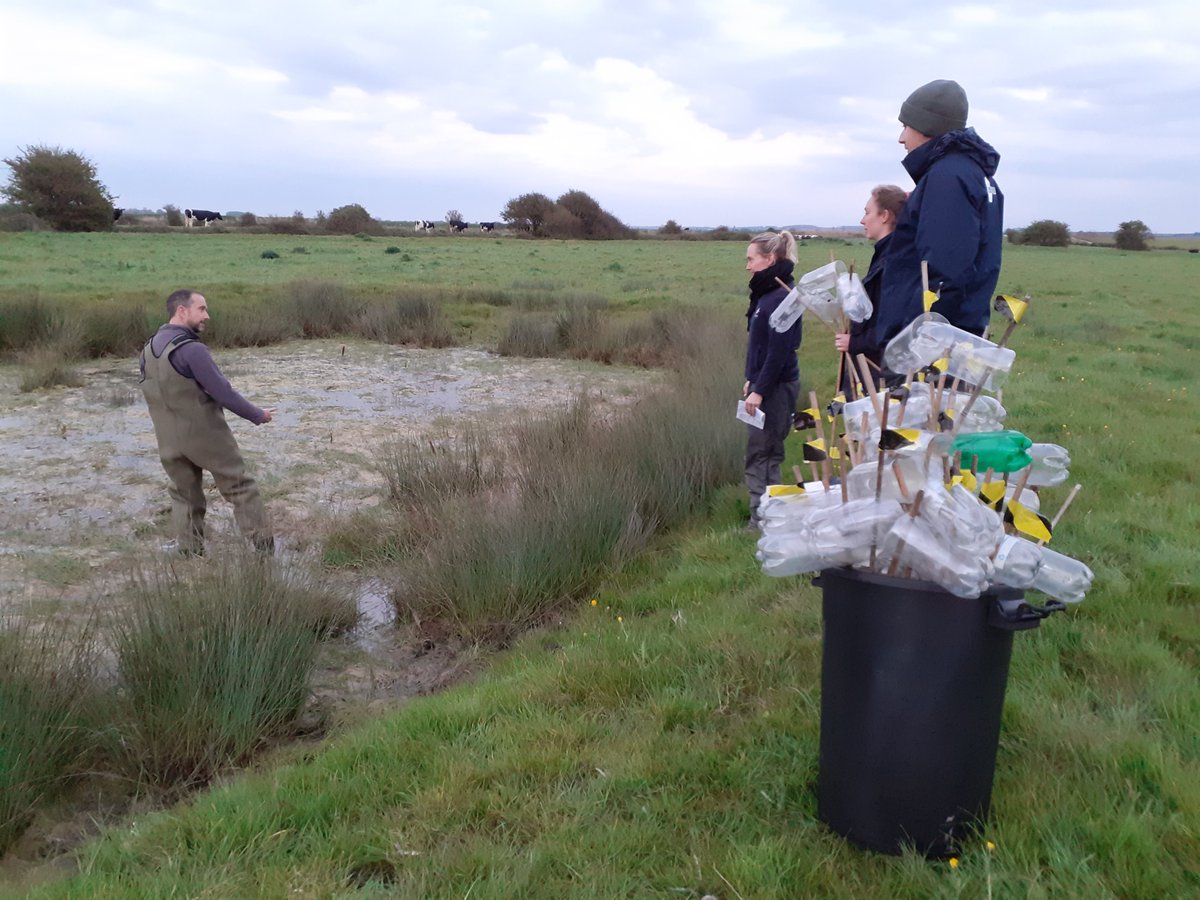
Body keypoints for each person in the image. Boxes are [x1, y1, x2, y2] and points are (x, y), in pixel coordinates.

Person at [139, 289, 275, 556]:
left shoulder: (148, 350)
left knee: (184, 494)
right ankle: (264, 548)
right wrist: (258, 415)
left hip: (168, 441)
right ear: (181, 310)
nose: (207, 316)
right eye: (201, 309)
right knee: (241, 487)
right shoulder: (191, 350)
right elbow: (222, 392)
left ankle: (190, 551)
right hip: (205, 436)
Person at [874, 79, 1004, 350]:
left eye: (905, 126)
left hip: (932, 346)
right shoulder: (974, 176)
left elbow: (943, 274)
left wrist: (916, 346)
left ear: (927, 126)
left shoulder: (947, 179)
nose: (901, 138)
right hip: (958, 334)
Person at [742, 230, 802, 531]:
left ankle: (763, 520)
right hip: (764, 386)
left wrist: (759, 391)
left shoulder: (783, 298)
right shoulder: (766, 294)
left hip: (775, 390)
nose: (748, 265)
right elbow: (760, 346)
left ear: (771, 258)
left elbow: (778, 354)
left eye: (751, 259)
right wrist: (750, 379)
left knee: (764, 453)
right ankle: (766, 515)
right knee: (759, 450)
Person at [834, 184, 907, 396]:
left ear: (884, 216)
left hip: (881, 374)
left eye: (867, 212)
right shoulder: (886, 254)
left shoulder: (895, 261)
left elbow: (896, 323)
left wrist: (855, 342)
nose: (862, 220)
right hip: (874, 369)